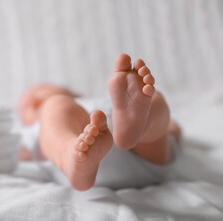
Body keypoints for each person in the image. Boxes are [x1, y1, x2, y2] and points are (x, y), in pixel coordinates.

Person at [17, 54, 182, 191]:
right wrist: (170, 131)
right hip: (145, 166)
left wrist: (164, 127)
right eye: (25, 109)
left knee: (153, 102)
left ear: (76, 93)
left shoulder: (91, 102)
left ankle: (138, 125)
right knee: (54, 106)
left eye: (40, 90)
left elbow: (172, 128)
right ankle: (70, 155)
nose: (34, 99)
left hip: (135, 144)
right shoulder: (36, 131)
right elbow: (11, 152)